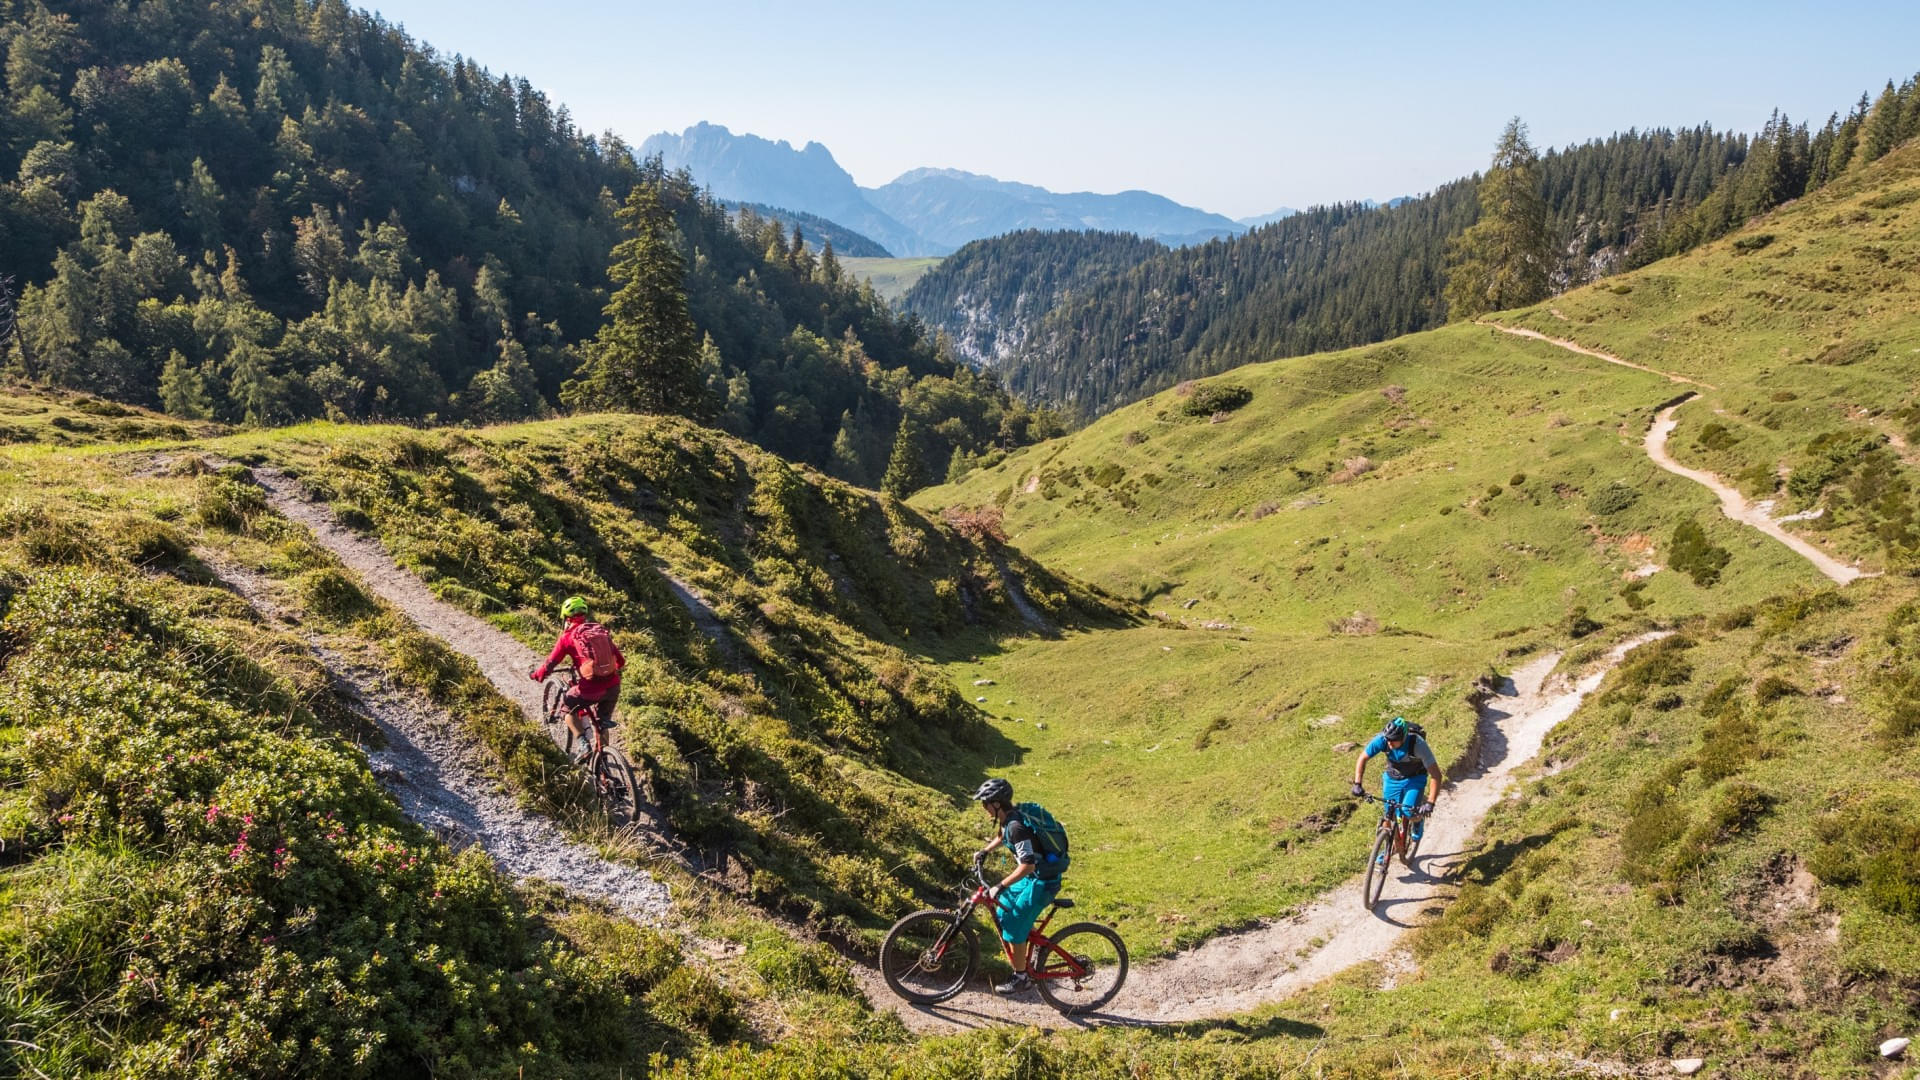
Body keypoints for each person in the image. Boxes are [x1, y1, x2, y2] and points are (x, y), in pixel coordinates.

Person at [971, 778, 1067, 996]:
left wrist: (999, 885)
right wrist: (985, 851)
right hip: (1034, 877)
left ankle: (1021, 978)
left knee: (1013, 922)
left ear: (996, 804)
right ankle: (1026, 941)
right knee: (1004, 907)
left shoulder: (1017, 827)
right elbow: (1001, 835)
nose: (983, 807)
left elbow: (1027, 865)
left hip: (1043, 882)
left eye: (984, 803)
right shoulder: (1009, 818)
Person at [529, 596, 626, 761]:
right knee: (602, 722)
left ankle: (583, 746)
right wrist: (603, 672)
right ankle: (603, 761)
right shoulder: (599, 630)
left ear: (566, 619)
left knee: (567, 710)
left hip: (590, 689)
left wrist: (537, 675)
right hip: (613, 687)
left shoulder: (567, 637)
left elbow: (550, 664)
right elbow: (621, 661)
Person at [1351, 716, 1440, 860]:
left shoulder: (1418, 745)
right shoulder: (1383, 739)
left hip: (1415, 779)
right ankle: (1387, 847)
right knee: (1389, 813)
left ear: (1403, 737)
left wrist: (1430, 803)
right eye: (1388, 739)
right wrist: (1357, 783)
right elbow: (1362, 758)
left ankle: (1418, 821)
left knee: (1407, 811)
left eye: (1393, 740)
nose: (1389, 743)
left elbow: (1436, 776)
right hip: (1393, 778)